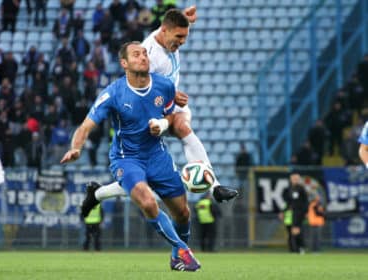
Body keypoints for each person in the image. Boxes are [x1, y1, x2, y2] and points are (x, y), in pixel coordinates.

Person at [81, 7, 238, 220]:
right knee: (144, 180)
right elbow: (141, 88)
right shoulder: (151, 56)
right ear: (166, 32)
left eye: (185, 36)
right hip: (148, 110)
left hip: (168, 103)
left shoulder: (166, 36)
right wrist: (169, 101)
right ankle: (98, 193)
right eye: (179, 37)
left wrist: (185, 19)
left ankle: (215, 187)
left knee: (182, 128)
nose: (182, 42)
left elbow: (171, 24)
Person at [60, 41, 200, 271]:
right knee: (147, 201)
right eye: (136, 54)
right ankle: (184, 251)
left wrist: (163, 125)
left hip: (158, 156)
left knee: (183, 213)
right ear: (124, 63)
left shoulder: (164, 86)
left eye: (145, 53)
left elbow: (172, 118)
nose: (143, 57)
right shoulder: (114, 93)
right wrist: (76, 148)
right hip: (128, 158)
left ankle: (177, 257)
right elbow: (85, 127)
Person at [282, 171, 309, 254]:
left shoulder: (301, 188)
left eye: (297, 178)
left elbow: (305, 202)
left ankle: (301, 247)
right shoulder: (289, 189)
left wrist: (305, 212)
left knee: (297, 230)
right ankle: (293, 249)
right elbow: (288, 202)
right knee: (291, 231)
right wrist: (284, 211)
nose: (295, 180)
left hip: (299, 212)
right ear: (291, 179)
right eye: (293, 178)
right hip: (290, 214)